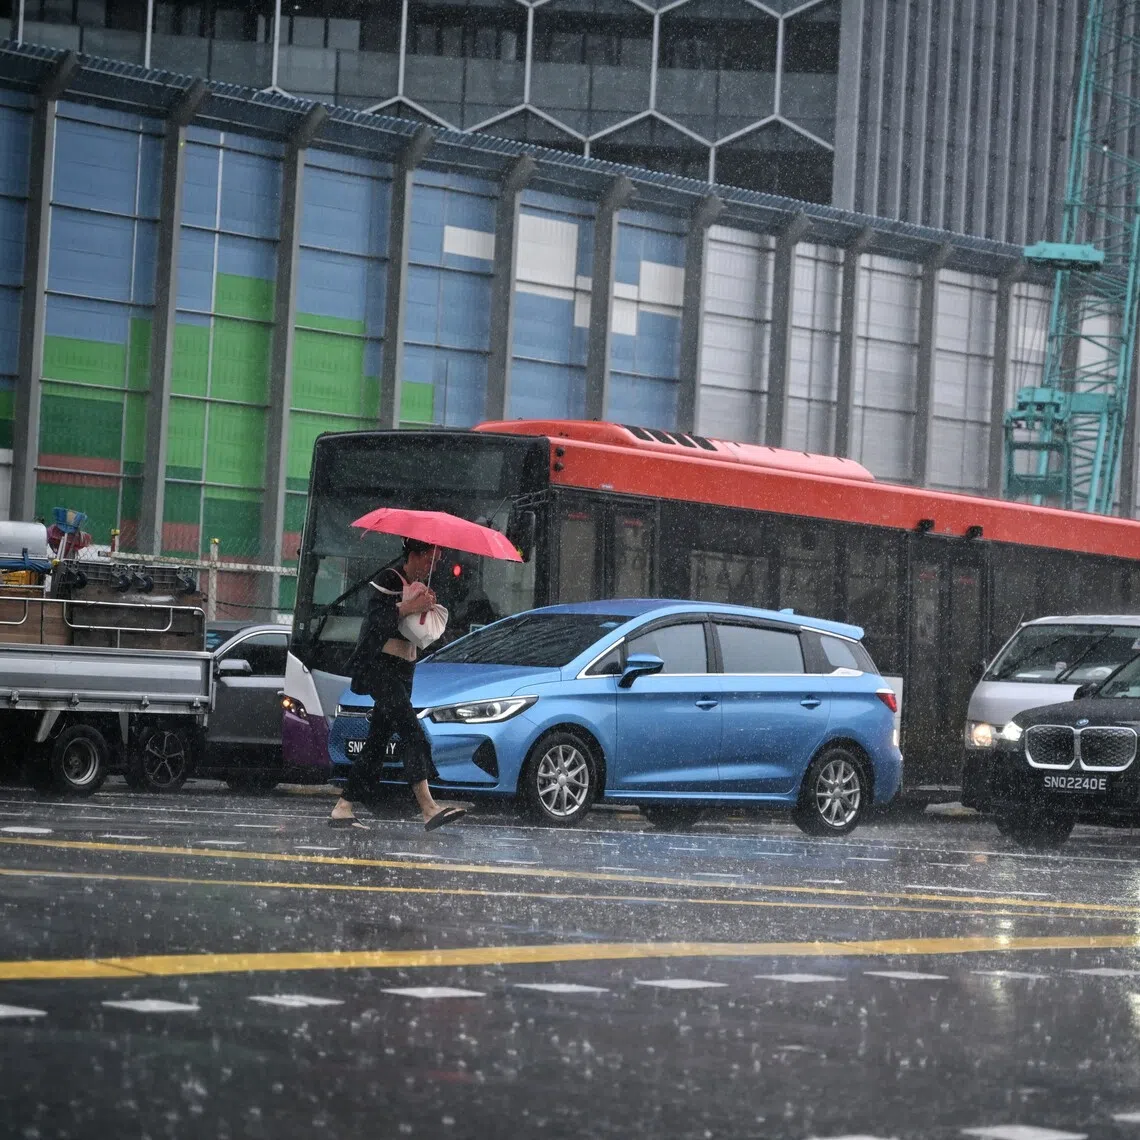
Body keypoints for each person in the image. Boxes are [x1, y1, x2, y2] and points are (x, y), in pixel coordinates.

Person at [329, 538, 466, 832]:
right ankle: (428, 807)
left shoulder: (419, 586)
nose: (434, 565)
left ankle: (344, 807)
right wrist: (408, 606)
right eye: (430, 559)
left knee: (378, 742)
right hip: (381, 668)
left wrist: (425, 608)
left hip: (404, 670)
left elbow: (418, 635)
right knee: (411, 731)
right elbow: (377, 622)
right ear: (415, 555)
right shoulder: (389, 579)